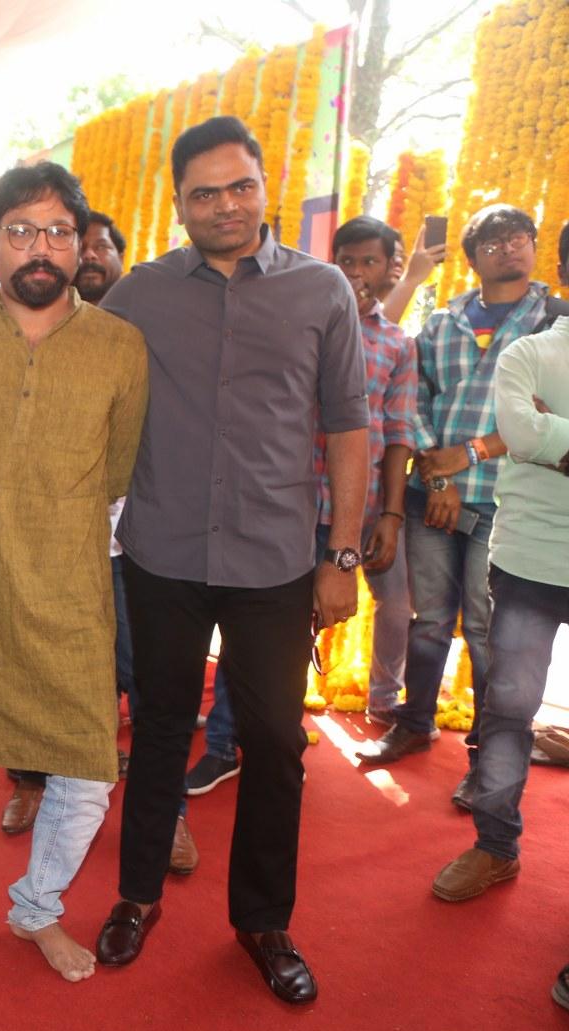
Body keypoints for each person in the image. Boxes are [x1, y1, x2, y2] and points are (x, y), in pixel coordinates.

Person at [93, 118, 368, 1006]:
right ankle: (137, 895)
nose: (225, 205)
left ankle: (262, 920)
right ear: (179, 203)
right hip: (164, 552)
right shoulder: (139, 292)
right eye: (204, 193)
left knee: (277, 741)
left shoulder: (322, 289)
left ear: (264, 185)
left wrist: (342, 553)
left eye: (239, 186)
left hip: (275, 562)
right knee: (158, 729)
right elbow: (79, 383)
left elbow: (349, 427)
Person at [0, 166, 146, 983]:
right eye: (20, 231)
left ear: (82, 244)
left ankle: (38, 905)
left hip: (70, 586)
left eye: (57, 232)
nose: (39, 248)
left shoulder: (120, 345)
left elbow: (118, 469)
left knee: (86, 767)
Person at [187, 214, 418, 810]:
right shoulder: (298, 320)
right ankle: (225, 745)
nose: (358, 272)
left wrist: (388, 517)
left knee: (296, 640)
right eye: (348, 260)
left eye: (370, 261)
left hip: (346, 514)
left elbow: (397, 434)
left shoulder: (398, 343)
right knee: (254, 633)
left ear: (391, 269)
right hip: (280, 506)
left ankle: (276, 743)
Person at [360, 205, 557, 781]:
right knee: (429, 620)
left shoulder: (552, 322)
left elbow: (544, 416)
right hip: (432, 497)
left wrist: (468, 455)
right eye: (493, 243)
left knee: (486, 630)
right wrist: (440, 475)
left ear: (534, 246)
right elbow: (411, 399)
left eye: (518, 237)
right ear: (471, 259)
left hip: (506, 502)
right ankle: (414, 721)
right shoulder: (443, 322)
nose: (508, 248)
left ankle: (486, 751)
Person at [430, 221, 569, 904]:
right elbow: (515, 430)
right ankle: (495, 846)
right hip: (530, 561)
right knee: (508, 706)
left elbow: (536, 435)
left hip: (523, 548)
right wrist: (532, 434)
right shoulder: (528, 353)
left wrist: (551, 436)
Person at [1, 207, 134, 839]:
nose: (94, 256)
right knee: (32, 666)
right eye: (87, 246)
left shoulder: (135, 336)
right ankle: (30, 781)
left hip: (127, 545)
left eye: (105, 246)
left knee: (131, 674)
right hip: (40, 540)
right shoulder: (25, 333)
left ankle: (165, 811)